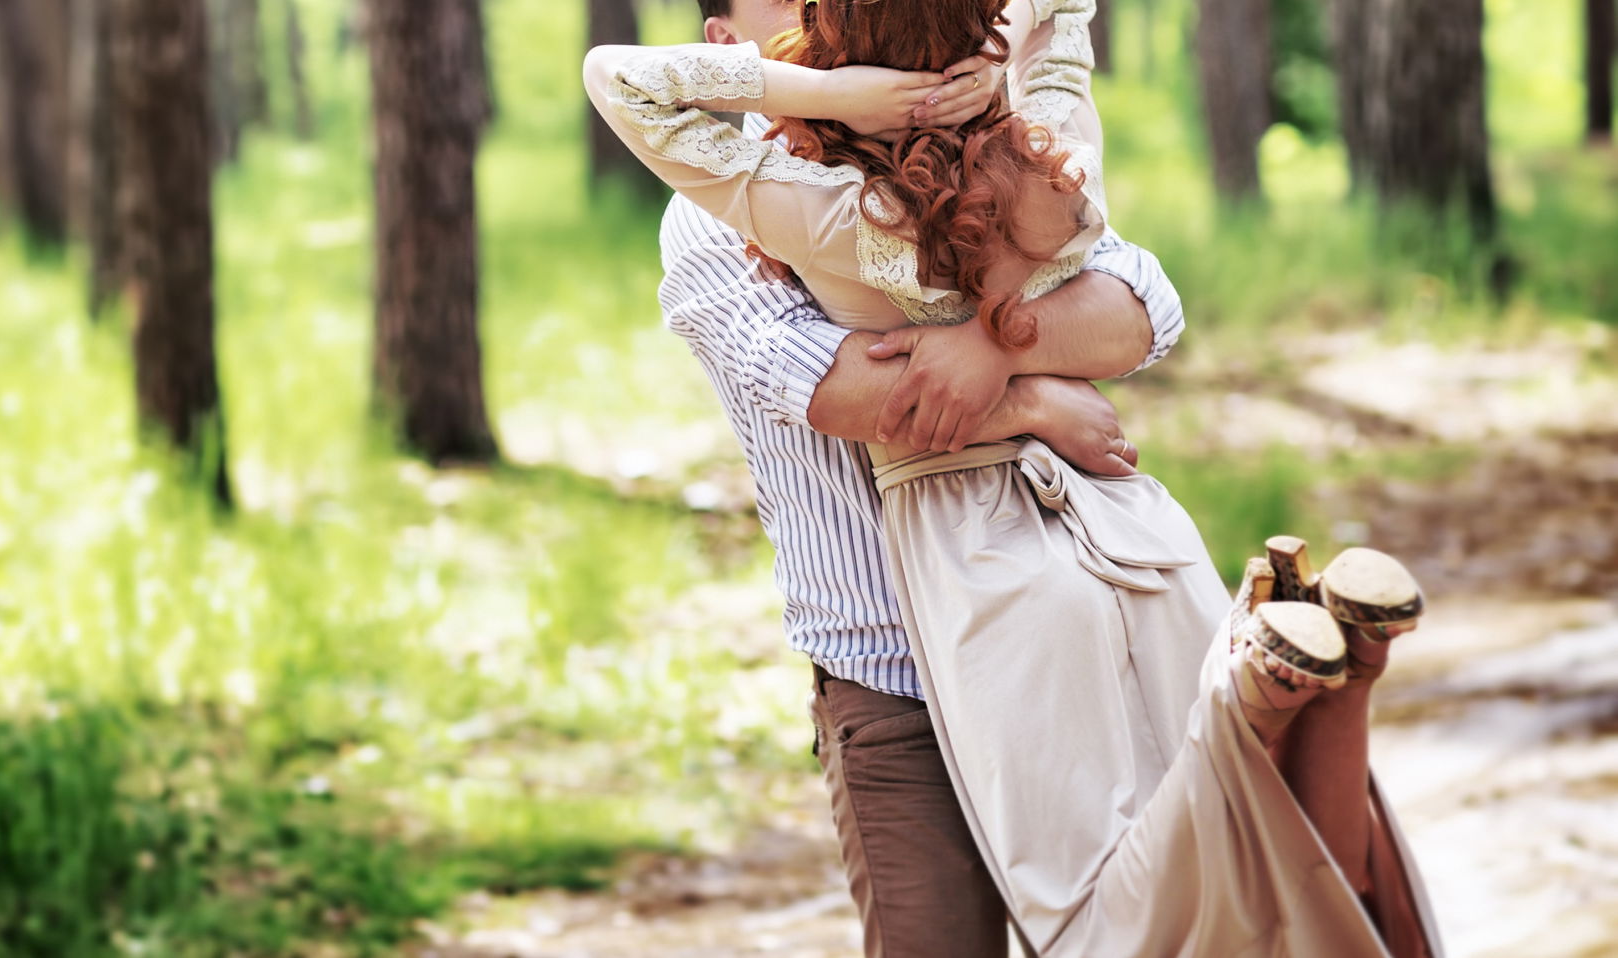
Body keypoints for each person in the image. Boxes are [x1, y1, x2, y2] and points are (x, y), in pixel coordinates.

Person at [586, 1, 1444, 955]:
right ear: (723, 47)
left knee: (1203, 885)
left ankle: (1281, 697)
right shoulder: (710, 217)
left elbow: (1140, 309)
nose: (825, 17)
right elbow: (844, 394)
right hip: (891, 670)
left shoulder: (984, 152)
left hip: (1071, 581)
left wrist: (988, 346)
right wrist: (1038, 400)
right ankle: (1291, 689)